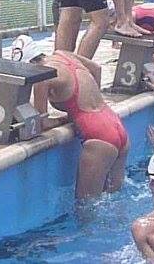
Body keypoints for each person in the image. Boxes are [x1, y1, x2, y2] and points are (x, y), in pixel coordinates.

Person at [32, 46, 129, 199]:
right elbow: (96, 68)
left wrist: (63, 119)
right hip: (115, 123)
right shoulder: (63, 54)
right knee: (116, 199)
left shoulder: (42, 77)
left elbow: (42, 124)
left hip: (99, 136)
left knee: (86, 207)